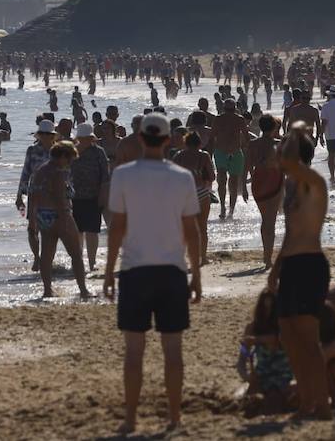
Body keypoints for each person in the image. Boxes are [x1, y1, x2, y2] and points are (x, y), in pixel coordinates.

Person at [102, 112, 202, 435]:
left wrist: (108, 272)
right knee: (173, 351)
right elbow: (193, 231)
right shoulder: (182, 177)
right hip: (172, 272)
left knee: (134, 352)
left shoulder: (123, 175)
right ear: (169, 140)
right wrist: (196, 273)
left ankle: (131, 420)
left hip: (134, 271)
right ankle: (175, 419)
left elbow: (116, 228)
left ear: (141, 138)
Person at [268, 122, 331, 418]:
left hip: (310, 264)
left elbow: (289, 160)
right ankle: (307, 401)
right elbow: (289, 232)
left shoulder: (313, 181)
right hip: (291, 264)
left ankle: (322, 403)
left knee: (308, 338)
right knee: (289, 337)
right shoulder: (290, 186)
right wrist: (275, 268)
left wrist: (295, 131)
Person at [28, 141, 90, 299]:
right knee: (76, 254)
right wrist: (65, 218)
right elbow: (59, 196)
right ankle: (83, 290)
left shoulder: (40, 170)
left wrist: (32, 220)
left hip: (43, 214)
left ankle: (47, 290)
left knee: (47, 255)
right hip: (59, 214)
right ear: (62, 156)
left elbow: (33, 196)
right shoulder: (58, 172)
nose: (70, 163)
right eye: (69, 159)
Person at [237, 288, 293, 414]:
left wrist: (256, 340)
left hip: (284, 377)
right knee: (241, 399)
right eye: (264, 309)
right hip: (262, 376)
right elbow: (242, 360)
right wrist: (246, 377)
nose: (267, 313)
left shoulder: (285, 327)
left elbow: (275, 341)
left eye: (271, 309)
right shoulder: (252, 328)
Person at [15, 120, 56, 271]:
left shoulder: (57, 151)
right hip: (34, 194)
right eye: (42, 134)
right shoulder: (32, 150)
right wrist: (19, 195)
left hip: (54, 194)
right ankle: (37, 257)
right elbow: (25, 172)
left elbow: (66, 173)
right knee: (32, 229)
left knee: (50, 230)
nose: (45, 136)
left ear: (52, 136)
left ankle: (47, 259)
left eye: (48, 134)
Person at [171, 127, 216, 266]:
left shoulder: (178, 156)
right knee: (202, 228)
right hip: (202, 192)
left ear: (185, 142)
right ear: (199, 143)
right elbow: (212, 176)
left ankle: (185, 256)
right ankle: (203, 258)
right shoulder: (204, 156)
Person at [69, 124, 110, 271]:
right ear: (78, 138)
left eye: (88, 138)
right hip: (74, 198)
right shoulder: (71, 152)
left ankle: (92, 262)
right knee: (77, 232)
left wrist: (103, 197)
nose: (86, 141)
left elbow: (105, 177)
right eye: (83, 138)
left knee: (92, 231)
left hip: (94, 197)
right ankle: (78, 261)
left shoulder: (99, 152)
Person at [246, 115, 283, 269]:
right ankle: (267, 258)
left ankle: (266, 255)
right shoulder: (279, 144)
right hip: (275, 181)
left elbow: (247, 166)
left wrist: (243, 186)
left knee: (265, 219)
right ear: (274, 127)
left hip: (258, 182)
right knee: (271, 221)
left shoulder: (253, 144)